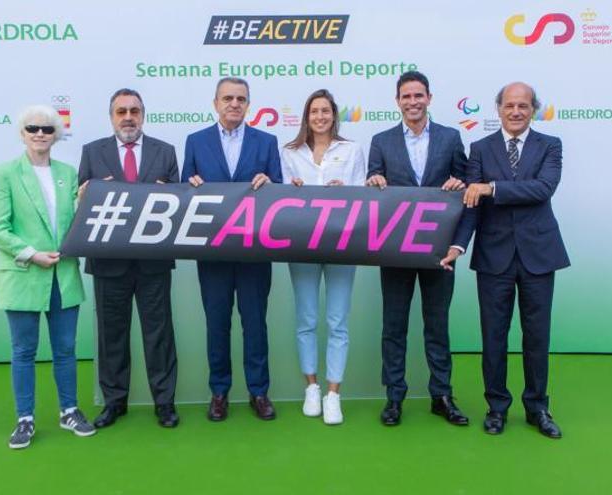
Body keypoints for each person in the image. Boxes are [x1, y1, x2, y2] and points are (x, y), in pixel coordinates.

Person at [460, 82, 570, 439]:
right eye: (510, 105)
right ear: (499, 109)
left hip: (539, 255)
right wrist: (458, 246)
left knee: (536, 337)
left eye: (523, 105)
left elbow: (543, 189)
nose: (516, 111)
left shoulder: (550, 145)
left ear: (533, 109)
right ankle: (496, 407)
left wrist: (492, 188)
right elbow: (471, 205)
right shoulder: (479, 148)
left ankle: (538, 408)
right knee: (494, 337)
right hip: (494, 257)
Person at [366, 71, 471, 427]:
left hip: (439, 252)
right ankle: (394, 397)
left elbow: (466, 191)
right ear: (397, 101)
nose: (412, 102)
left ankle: (441, 395)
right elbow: (372, 188)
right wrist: (374, 181)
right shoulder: (380, 141)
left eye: (418, 95)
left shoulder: (451, 137)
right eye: (406, 96)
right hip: (395, 251)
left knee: (437, 326)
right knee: (393, 327)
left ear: (429, 98)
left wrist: (461, 183)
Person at [0, 105, 93, 449]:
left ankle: (69, 410)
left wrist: (85, 203)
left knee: (65, 349)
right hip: (24, 275)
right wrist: (32, 254)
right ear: (22, 133)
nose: (40, 134)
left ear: (57, 135)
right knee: (23, 351)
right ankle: (25, 419)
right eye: (33, 128)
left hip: (62, 275)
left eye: (47, 129)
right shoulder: (4, 174)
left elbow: (76, 221)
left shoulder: (67, 173)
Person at [78, 89, 180, 428]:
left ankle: (164, 403)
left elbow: (179, 206)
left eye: (134, 110)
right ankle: (114, 403)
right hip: (108, 263)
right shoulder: (92, 153)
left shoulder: (165, 152)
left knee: (159, 334)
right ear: (111, 117)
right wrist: (87, 193)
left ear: (143, 115)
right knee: (112, 336)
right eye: (121, 111)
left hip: (153, 262)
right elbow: (81, 207)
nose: (128, 117)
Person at [182, 77, 283, 421]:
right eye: (228, 98)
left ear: (248, 105)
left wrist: (270, 184)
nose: (234, 104)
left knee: (255, 323)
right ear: (216, 103)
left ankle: (259, 392)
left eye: (241, 99)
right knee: (217, 323)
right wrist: (189, 184)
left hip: (255, 252)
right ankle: (219, 392)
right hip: (213, 254)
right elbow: (184, 192)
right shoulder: (195, 142)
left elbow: (280, 192)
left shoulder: (266, 142)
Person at [280, 89, 365, 425]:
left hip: (342, 243)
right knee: (307, 319)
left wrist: (343, 191)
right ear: (306, 116)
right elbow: (278, 198)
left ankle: (333, 394)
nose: (320, 116)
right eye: (314, 111)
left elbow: (363, 196)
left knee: (338, 321)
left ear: (334, 115)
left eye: (325, 111)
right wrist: (293, 189)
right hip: (301, 243)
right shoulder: (289, 152)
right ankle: (311, 387)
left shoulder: (352, 150)